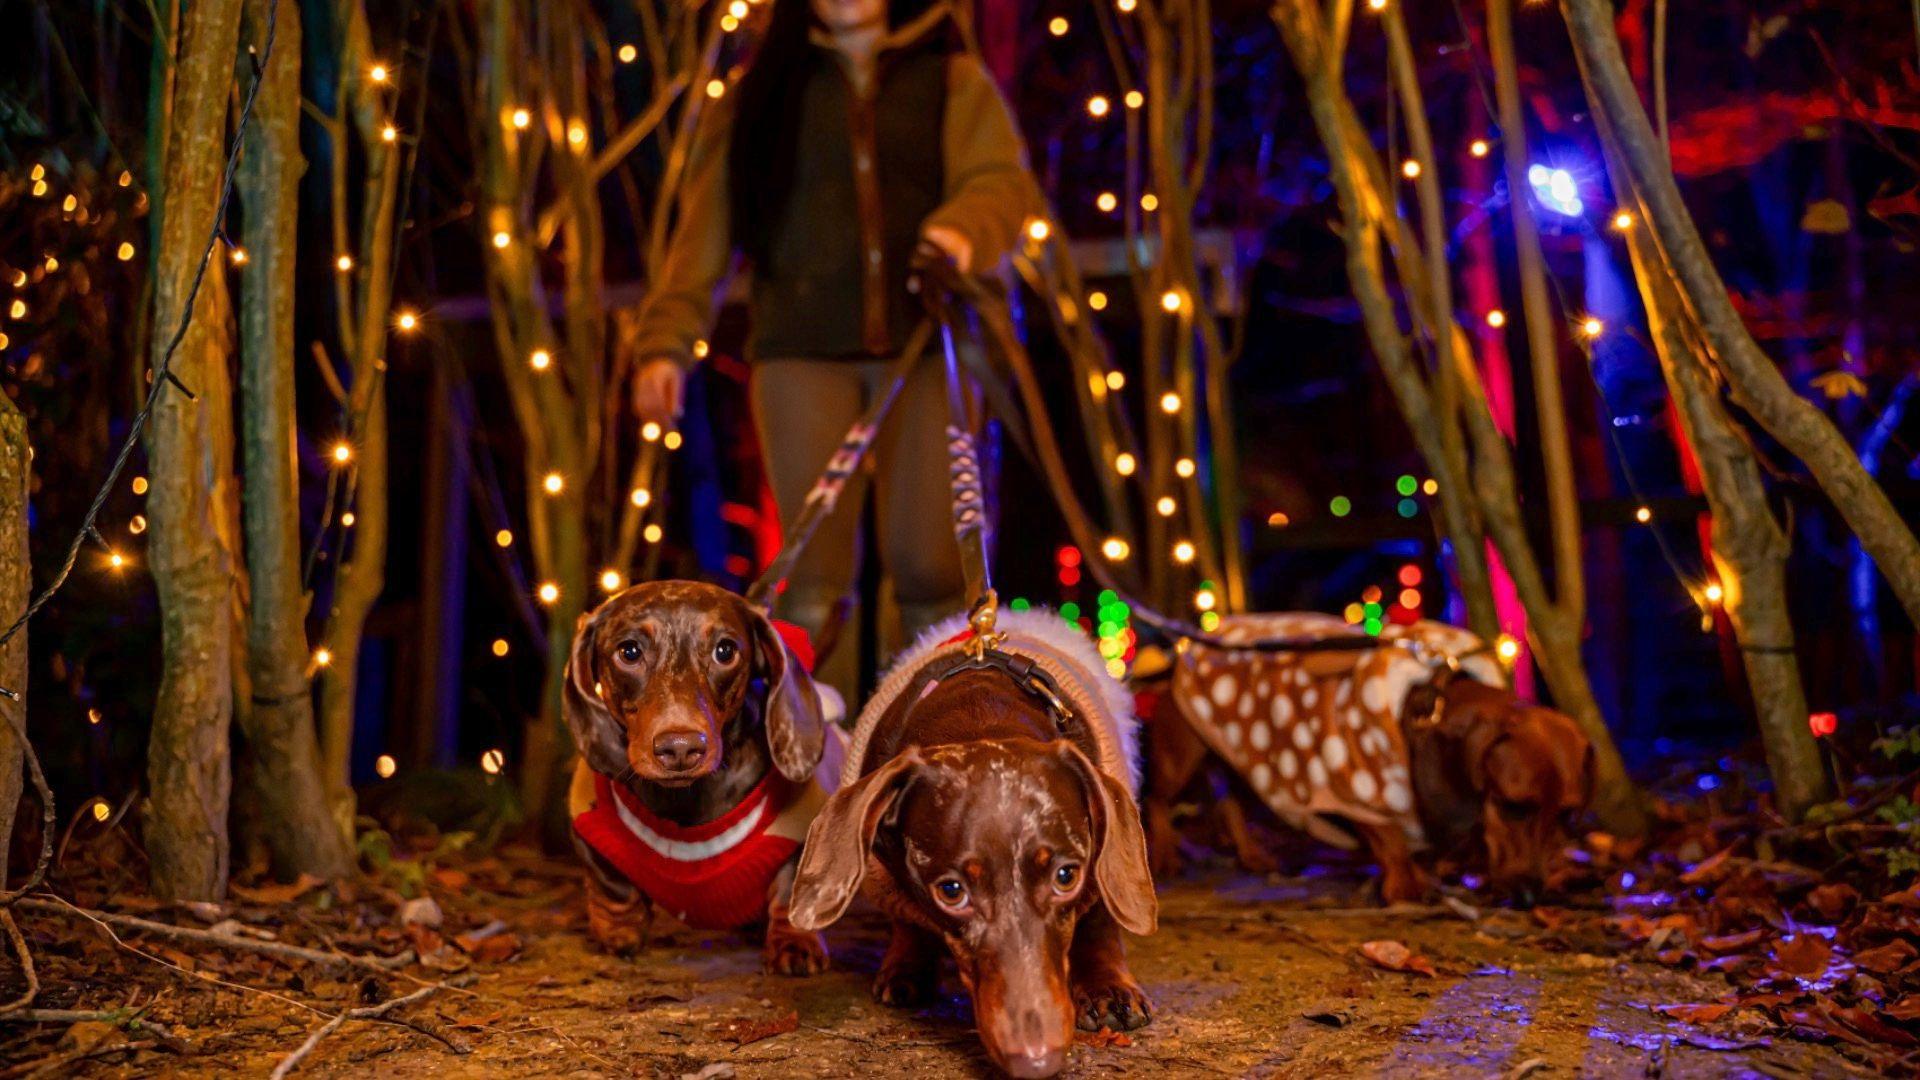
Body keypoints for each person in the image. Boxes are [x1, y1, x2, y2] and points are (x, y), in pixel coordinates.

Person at [621, 0, 1037, 697]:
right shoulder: (761, 95)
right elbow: (703, 234)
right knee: (809, 574)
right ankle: (819, 751)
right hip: (800, 352)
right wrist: (665, 343)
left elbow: (1000, 182)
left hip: (925, 347)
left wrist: (962, 231)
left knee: (933, 564)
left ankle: (930, 740)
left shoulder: (953, 80)